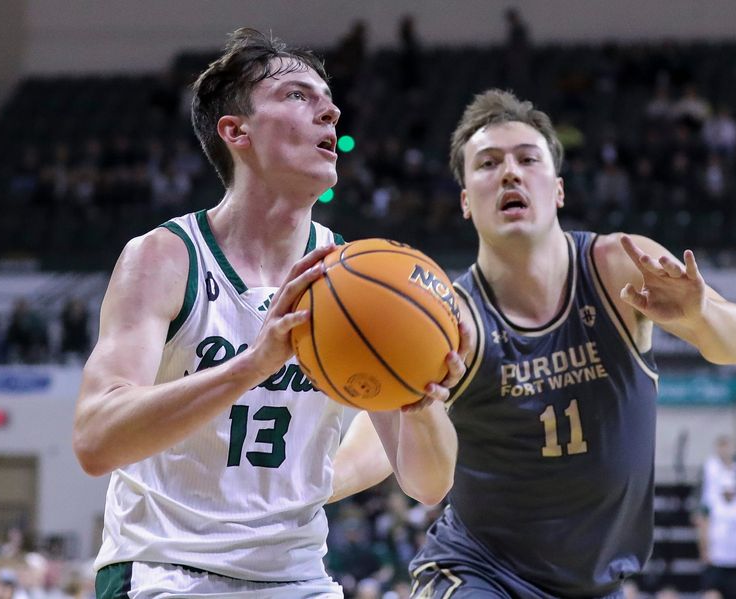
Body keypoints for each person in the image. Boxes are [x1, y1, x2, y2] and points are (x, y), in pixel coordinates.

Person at [72, 28, 464, 599]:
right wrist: (253, 364)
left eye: (327, 99)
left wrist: (421, 402)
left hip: (298, 577)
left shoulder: (355, 281)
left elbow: (428, 483)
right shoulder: (165, 257)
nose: (330, 110)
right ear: (236, 131)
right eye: (298, 96)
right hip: (165, 570)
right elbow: (94, 441)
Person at [335, 89, 736, 598]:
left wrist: (701, 315)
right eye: (488, 163)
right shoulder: (452, 318)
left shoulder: (619, 267)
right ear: (466, 202)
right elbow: (388, 445)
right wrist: (307, 488)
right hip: (481, 572)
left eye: (527, 158)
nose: (510, 172)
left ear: (558, 189)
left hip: (597, 583)